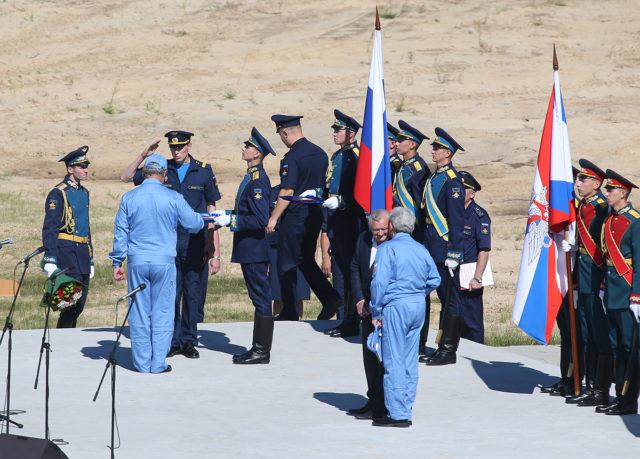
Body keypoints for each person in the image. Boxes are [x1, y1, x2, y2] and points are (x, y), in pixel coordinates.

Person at [121, 131, 221, 359]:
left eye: (180, 147)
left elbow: (211, 207)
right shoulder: (161, 169)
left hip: (195, 242)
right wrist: (143, 155)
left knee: (193, 291)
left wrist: (213, 245)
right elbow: (126, 178)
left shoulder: (203, 170)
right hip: (167, 243)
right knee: (170, 294)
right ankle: (173, 340)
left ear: (189, 146)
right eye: (173, 148)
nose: (176, 151)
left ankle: (189, 340)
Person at [109, 154, 205, 373]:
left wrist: (117, 261)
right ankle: (158, 363)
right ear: (164, 175)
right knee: (163, 311)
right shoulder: (173, 197)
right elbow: (193, 224)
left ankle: (142, 363)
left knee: (139, 311)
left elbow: (121, 231)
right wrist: (202, 219)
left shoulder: (129, 198)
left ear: (144, 174)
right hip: (164, 262)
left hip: (138, 261)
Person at [266, 114, 343, 321]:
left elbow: (288, 191)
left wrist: (273, 218)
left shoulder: (291, 158)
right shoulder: (319, 153)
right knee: (305, 260)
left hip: (296, 216)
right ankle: (330, 297)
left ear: (285, 133)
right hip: (315, 214)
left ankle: (290, 310)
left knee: (286, 262)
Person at [369, 207, 440, 427]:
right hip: (417, 305)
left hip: (396, 307)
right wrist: (417, 293)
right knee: (410, 359)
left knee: (394, 359)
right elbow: (435, 279)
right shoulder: (421, 249)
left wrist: (376, 310)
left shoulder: (387, 249)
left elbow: (379, 283)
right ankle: (406, 408)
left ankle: (398, 414)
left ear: (391, 227)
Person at [213, 127, 275, 364]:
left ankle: (261, 350)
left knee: (261, 297)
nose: (244, 149)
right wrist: (227, 213)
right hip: (250, 249)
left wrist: (231, 220)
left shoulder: (258, 181)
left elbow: (260, 220)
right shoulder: (251, 176)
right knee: (258, 297)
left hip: (254, 249)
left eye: (248, 147)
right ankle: (258, 348)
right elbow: (247, 211)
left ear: (257, 154)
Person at [563, 160, 613, 406]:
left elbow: (604, 248)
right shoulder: (585, 205)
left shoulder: (601, 207)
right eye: (578, 179)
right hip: (583, 275)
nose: (578, 183)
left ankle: (599, 388)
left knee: (597, 333)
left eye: (583, 180)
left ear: (596, 184)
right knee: (585, 332)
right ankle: (588, 385)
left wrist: (602, 281)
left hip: (595, 276)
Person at [420, 127, 466, 366]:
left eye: (437, 148)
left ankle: (448, 350)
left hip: (443, 245)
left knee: (450, 298)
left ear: (447, 153)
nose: (433, 150)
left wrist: (455, 252)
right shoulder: (435, 176)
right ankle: (440, 346)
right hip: (430, 241)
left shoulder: (452, 181)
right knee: (439, 295)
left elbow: (458, 221)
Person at [596, 169, 640, 415]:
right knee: (616, 346)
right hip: (612, 290)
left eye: (610, 189)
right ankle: (620, 396)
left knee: (628, 346)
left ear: (623, 193)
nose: (607, 193)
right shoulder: (609, 219)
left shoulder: (635, 221)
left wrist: (637, 296)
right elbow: (607, 257)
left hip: (627, 293)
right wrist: (603, 287)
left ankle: (629, 399)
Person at [322, 109, 367, 338]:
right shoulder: (338, 156)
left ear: (350, 133)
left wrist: (340, 201)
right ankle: (345, 318)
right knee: (341, 272)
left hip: (351, 223)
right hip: (337, 223)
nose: (334, 134)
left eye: (338, 130)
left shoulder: (357, 157)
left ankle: (352, 319)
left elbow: (362, 194)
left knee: (351, 272)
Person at [42, 146, 94, 328]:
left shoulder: (84, 192)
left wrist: (91, 258)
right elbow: (50, 228)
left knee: (79, 305)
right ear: (70, 169)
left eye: (86, 166)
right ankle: (62, 340)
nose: (86, 169)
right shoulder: (59, 193)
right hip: (66, 255)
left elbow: (85, 228)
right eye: (81, 166)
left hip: (82, 255)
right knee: (68, 304)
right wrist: (50, 258)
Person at [347, 209, 390, 420]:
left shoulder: (395, 244)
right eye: (376, 230)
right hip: (367, 310)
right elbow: (354, 267)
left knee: (384, 360)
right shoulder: (364, 239)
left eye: (383, 229)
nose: (380, 234)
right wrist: (359, 300)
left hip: (387, 313)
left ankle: (382, 405)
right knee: (369, 357)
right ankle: (372, 399)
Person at [457, 171, 491, 344]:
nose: (457, 192)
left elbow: (484, 249)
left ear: (472, 193)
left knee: (472, 322)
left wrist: (477, 277)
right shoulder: (453, 212)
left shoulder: (479, 216)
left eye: (462, 189)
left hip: (470, 274)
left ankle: (478, 353)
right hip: (454, 272)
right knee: (455, 320)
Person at [392, 120, 430, 232]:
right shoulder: (403, 165)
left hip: (412, 225)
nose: (396, 143)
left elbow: (420, 203)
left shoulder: (419, 169)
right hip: (399, 220)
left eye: (400, 141)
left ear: (412, 145)